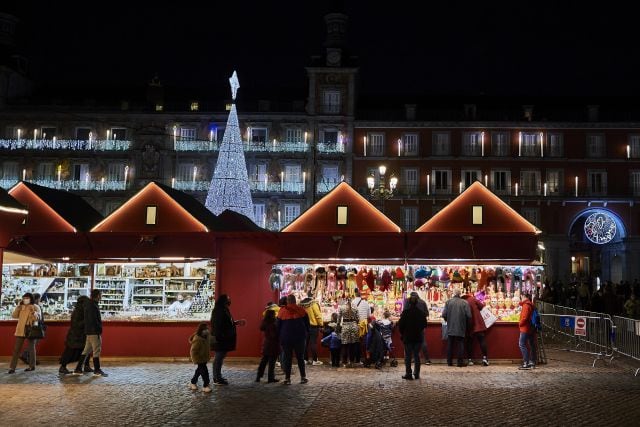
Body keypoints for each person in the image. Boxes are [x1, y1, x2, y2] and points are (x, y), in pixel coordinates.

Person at [210, 294, 245, 385]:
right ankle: (216, 378)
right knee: (218, 358)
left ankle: (218, 376)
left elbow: (226, 323)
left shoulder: (224, 310)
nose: (230, 301)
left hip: (224, 338)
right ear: (224, 301)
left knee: (220, 358)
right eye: (228, 299)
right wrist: (221, 336)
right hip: (221, 339)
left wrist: (236, 323)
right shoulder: (218, 310)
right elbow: (217, 325)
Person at [277, 294, 310, 385]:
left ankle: (287, 379)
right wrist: (306, 334)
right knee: (300, 357)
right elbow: (307, 324)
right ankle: (303, 377)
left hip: (286, 338)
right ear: (295, 301)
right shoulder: (302, 310)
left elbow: (278, 326)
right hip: (300, 337)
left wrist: (279, 337)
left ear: (287, 301)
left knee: (288, 358)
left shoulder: (282, 311)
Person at [74, 289, 107, 377]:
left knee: (86, 350)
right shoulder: (93, 306)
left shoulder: (89, 305)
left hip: (89, 331)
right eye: (100, 295)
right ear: (97, 296)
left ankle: (78, 369)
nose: (101, 296)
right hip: (94, 331)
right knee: (97, 350)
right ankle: (97, 369)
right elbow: (94, 320)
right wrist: (98, 330)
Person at [8, 292, 41, 373]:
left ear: (31, 299)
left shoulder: (36, 306)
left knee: (31, 349)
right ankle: (12, 368)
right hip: (21, 329)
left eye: (27, 298)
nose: (25, 300)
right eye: (24, 298)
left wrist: (34, 313)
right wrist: (18, 308)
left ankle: (32, 366)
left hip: (31, 329)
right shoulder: (21, 307)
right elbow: (14, 316)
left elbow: (38, 319)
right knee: (16, 349)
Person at [59, 295, 92, 375]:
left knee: (86, 350)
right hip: (75, 336)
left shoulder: (82, 311)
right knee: (70, 351)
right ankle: (63, 367)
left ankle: (86, 366)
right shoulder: (77, 312)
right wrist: (86, 320)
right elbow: (76, 325)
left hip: (80, 335)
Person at [398, 294, 428, 380]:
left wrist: (403, 333)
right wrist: (419, 330)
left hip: (407, 337)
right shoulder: (420, 313)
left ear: (409, 303)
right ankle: (417, 373)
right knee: (417, 355)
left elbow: (401, 325)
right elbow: (424, 324)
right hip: (418, 337)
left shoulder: (405, 313)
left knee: (408, 356)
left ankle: (408, 373)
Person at [442, 288, 471, 367]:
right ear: (460, 294)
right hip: (461, 326)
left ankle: (449, 362)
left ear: (453, 294)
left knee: (450, 344)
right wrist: (467, 325)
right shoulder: (465, 302)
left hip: (450, 326)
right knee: (460, 344)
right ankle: (459, 362)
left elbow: (444, 314)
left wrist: (448, 320)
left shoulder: (448, 302)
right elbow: (469, 316)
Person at [404, 291, 432, 365]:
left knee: (410, 342)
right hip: (420, 326)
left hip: (409, 326)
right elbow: (427, 313)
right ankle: (427, 359)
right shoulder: (422, 302)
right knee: (422, 341)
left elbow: (404, 312)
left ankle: (409, 360)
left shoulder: (407, 302)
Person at [462, 292, 490, 366]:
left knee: (469, 342)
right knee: (482, 341)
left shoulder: (462, 302)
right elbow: (481, 306)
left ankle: (470, 360)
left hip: (469, 325)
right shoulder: (473, 299)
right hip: (478, 324)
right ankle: (485, 358)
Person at [256, 309, 280, 383]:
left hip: (266, 343)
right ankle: (270, 378)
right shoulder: (274, 323)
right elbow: (274, 335)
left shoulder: (265, 322)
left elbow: (261, 328)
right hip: (273, 344)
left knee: (263, 361)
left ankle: (258, 376)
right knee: (272, 362)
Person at [20, 293, 43, 366]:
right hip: (35, 328)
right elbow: (38, 319)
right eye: (39, 298)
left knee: (32, 344)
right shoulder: (35, 307)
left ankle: (28, 358)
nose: (40, 299)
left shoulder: (34, 306)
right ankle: (28, 358)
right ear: (36, 299)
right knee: (33, 344)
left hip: (32, 327)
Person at [300, 294, 323, 366]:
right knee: (313, 343)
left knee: (305, 344)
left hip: (304, 327)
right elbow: (318, 316)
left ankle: (305, 359)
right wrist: (321, 324)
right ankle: (315, 360)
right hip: (313, 327)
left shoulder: (301, 305)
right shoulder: (313, 304)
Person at [189, 323, 212, 393]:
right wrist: (195, 359)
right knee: (204, 371)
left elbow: (211, 341)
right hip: (199, 358)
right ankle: (205, 385)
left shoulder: (207, 336)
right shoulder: (197, 339)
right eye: (205, 329)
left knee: (199, 370)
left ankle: (193, 382)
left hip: (204, 357)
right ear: (201, 330)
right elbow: (193, 351)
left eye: (207, 329)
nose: (207, 330)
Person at [338, 298, 360, 367]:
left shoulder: (342, 307)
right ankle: (352, 362)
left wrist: (338, 326)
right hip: (354, 326)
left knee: (345, 345)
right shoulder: (355, 307)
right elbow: (358, 319)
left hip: (345, 327)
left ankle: (344, 362)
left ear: (345, 301)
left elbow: (338, 319)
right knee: (353, 345)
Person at [518, 292, 537, 370]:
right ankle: (532, 362)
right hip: (530, 328)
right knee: (532, 345)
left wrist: (520, 323)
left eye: (521, 296)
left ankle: (526, 363)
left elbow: (525, 318)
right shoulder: (530, 305)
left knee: (522, 344)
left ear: (523, 296)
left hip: (525, 328)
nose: (520, 298)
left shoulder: (526, 305)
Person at [352, 288, 371, 363]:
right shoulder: (366, 303)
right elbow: (369, 315)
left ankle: (357, 359)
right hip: (364, 326)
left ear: (355, 294)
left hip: (355, 324)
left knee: (356, 342)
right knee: (364, 342)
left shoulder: (352, 302)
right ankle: (365, 358)